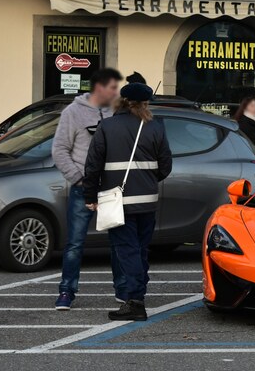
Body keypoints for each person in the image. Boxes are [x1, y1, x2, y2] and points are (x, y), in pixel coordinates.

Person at [83, 82, 173, 321]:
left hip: (118, 201)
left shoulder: (108, 127)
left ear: (121, 102)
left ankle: (134, 301)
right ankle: (137, 292)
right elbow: (165, 166)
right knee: (141, 250)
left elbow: (93, 165)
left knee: (126, 250)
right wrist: (146, 181)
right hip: (147, 201)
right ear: (145, 104)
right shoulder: (155, 127)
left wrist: (90, 196)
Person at [53, 68, 125, 311]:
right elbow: (60, 149)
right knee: (75, 243)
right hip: (83, 188)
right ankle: (66, 291)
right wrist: (79, 179)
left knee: (118, 240)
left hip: (111, 188)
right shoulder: (73, 113)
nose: (116, 92)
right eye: (113, 88)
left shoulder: (115, 111)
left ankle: (123, 290)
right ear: (99, 87)